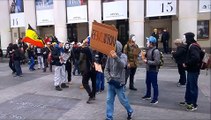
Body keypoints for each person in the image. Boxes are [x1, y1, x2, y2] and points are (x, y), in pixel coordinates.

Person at [104, 40, 133, 120]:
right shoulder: (109, 56)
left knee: (123, 100)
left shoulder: (123, 56)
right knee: (109, 100)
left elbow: (123, 65)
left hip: (119, 83)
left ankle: (130, 110)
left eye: (114, 46)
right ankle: (109, 117)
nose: (112, 48)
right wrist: (109, 79)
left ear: (118, 47)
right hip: (111, 83)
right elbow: (106, 69)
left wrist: (116, 57)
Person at [179, 32, 201, 111]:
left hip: (193, 70)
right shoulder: (191, 45)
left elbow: (196, 58)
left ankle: (193, 104)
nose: (184, 39)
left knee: (193, 87)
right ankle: (188, 101)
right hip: (191, 70)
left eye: (185, 37)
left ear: (188, 38)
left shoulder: (193, 46)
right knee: (189, 86)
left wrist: (186, 63)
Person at [142, 36, 160, 104]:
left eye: (148, 41)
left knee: (154, 84)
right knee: (148, 82)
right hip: (149, 69)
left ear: (151, 43)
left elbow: (156, 62)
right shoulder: (148, 49)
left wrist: (147, 61)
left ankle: (155, 98)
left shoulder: (156, 51)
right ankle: (148, 95)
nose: (146, 42)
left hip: (153, 70)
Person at [79, 37, 96, 104]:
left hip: (89, 68)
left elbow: (79, 49)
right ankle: (93, 95)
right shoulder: (97, 49)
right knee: (94, 82)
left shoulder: (87, 49)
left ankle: (91, 95)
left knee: (84, 82)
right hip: (95, 68)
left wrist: (83, 42)